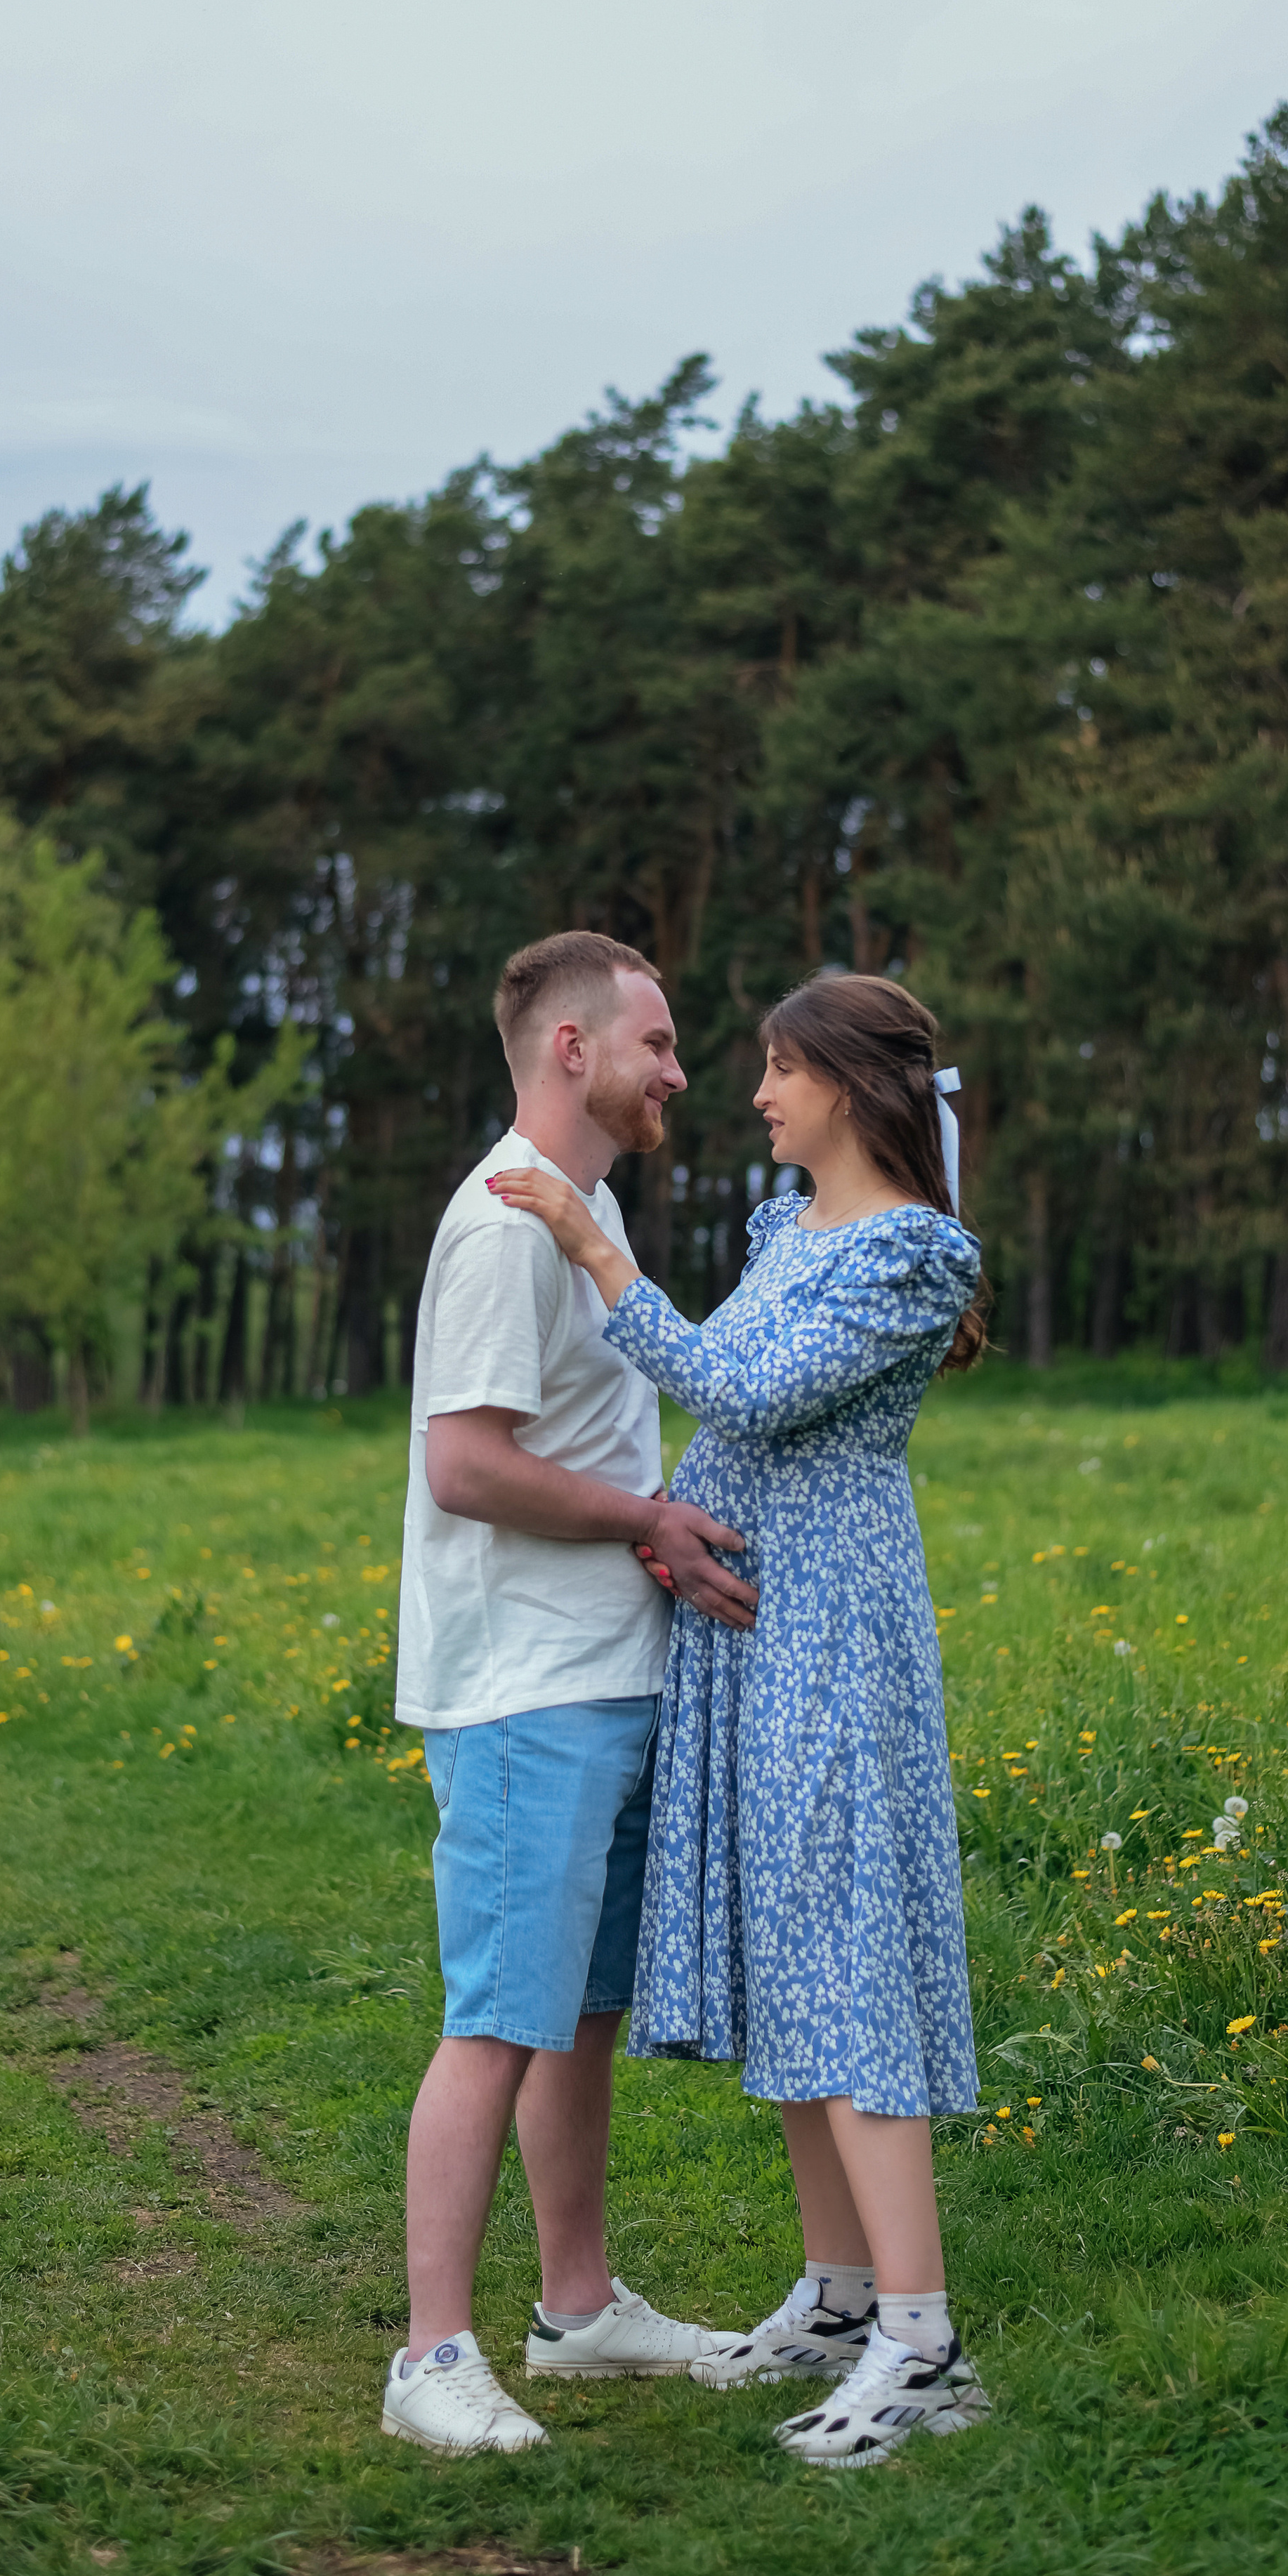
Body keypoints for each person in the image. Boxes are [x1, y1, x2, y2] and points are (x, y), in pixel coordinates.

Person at [489, 971, 991, 2468]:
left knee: (845, 1956)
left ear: (846, 1084)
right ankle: (837, 2299)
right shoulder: (794, 1231)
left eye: (778, 1069)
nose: (753, 1093)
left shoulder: (909, 1251)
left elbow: (742, 1389)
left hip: (829, 1636)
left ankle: (923, 2344)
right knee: (796, 1959)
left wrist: (588, 1242)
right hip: (757, 1640)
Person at [381, 931, 755, 2458]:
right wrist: (647, 1521)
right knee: (497, 2022)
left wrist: (653, 1515)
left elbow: (580, 1438)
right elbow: (462, 1465)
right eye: (657, 1043)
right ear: (570, 1052)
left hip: (602, 1672)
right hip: (522, 1688)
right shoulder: (501, 1226)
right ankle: (429, 2360)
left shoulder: (585, 1209)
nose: (680, 1070)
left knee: (578, 2019)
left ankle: (579, 2312)